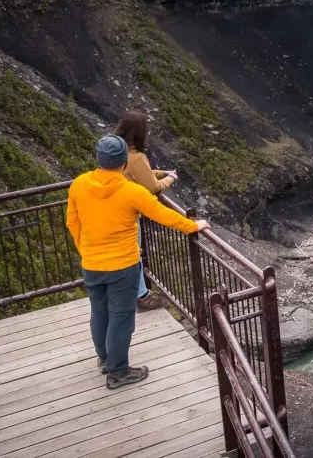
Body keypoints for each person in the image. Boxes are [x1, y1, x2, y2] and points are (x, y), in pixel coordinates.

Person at [66, 135, 209, 390]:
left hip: (91, 264)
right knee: (121, 317)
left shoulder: (79, 184)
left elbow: (72, 222)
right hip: (122, 266)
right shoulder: (131, 191)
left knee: (99, 312)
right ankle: (118, 372)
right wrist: (192, 226)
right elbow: (163, 214)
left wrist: (85, 250)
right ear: (123, 162)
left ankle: (105, 360)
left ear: (99, 159)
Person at [113, 110, 177, 309]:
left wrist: (160, 172)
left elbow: (138, 173)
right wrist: (170, 178)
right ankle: (142, 295)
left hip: (113, 209)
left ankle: (126, 291)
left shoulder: (117, 150)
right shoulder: (137, 157)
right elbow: (151, 187)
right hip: (129, 215)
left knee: (122, 255)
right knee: (134, 255)